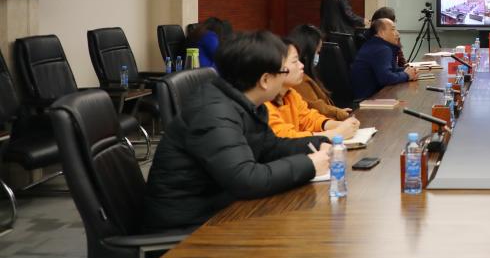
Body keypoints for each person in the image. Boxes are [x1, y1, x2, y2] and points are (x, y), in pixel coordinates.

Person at [143, 31, 331, 231]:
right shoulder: (214, 113)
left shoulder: (246, 103)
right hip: (189, 226)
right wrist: (309, 164)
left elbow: (271, 147)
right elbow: (247, 179)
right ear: (265, 80)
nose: (286, 76)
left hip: (221, 208)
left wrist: (320, 143)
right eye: (284, 71)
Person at [266, 38, 359, 139]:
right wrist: (334, 134)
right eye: (294, 61)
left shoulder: (290, 93)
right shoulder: (264, 105)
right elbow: (286, 139)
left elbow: (309, 119)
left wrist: (339, 125)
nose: (301, 65)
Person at [288, 24, 353, 119]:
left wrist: (338, 112)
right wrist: (338, 113)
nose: (318, 57)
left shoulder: (307, 74)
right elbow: (316, 109)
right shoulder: (298, 80)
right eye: (317, 52)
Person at [350, 18, 419, 99]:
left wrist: (408, 70)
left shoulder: (375, 44)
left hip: (371, 95)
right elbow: (386, 78)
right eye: (393, 29)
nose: (397, 33)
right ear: (381, 33)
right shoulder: (381, 49)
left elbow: (390, 70)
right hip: (369, 99)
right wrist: (407, 75)